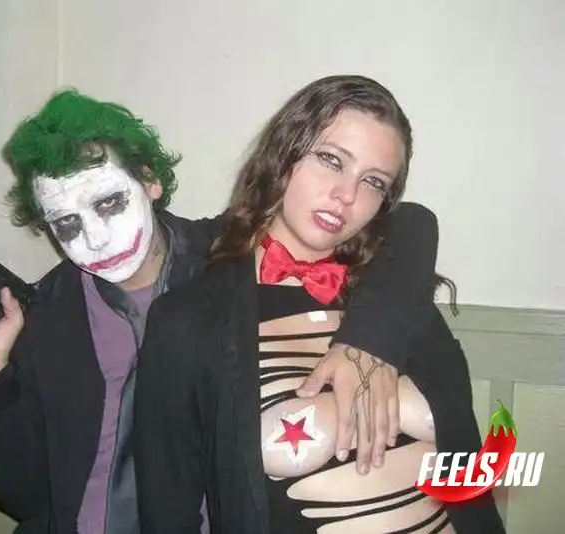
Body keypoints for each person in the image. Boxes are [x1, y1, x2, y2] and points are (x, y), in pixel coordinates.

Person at [0, 88, 444, 534]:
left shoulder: (226, 259)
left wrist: (371, 338)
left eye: (108, 203)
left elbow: (408, 224)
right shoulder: (43, 315)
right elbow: (23, 496)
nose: (95, 237)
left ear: (149, 181)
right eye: (66, 222)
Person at [133, 75, 506, 533]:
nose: (347, 195)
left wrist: (370, 342)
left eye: (373, 181)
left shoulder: (397, 297)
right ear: (283, 153)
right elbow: (168, 509)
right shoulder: (188, 319)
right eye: (331, 160)